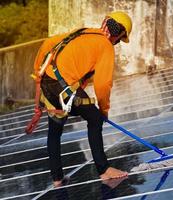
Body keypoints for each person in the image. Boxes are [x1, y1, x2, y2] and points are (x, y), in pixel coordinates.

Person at [33, 11, 132, 187]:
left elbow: (48, 43)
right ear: (118, 35)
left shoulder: (84, 31)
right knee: (95, 120)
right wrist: (103, 110)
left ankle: (57, 179)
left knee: (55, 130)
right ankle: (104, 170)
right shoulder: (105, 46)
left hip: (48, 81)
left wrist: (39, 76)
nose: (117, 44)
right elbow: (103, 84)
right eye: (120, 40)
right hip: (63, 86)